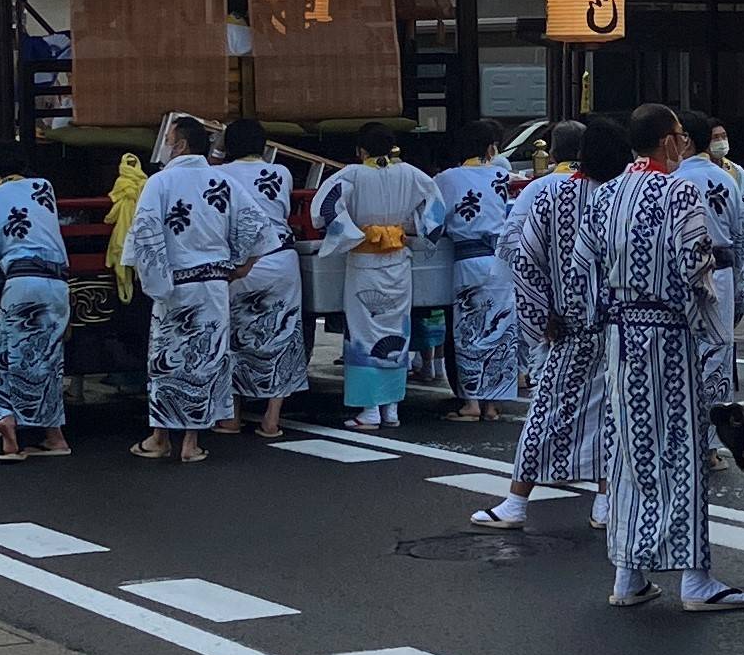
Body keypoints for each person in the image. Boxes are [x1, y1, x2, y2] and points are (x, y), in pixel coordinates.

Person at [575, 107, 744, 613]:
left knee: (629, 451)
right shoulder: (680, 193)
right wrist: (713, 330)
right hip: (667, 336)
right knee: (682, 449)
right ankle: (695, 578)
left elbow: (584, 266)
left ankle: (628, 573)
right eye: (678, 136)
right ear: (668, 142)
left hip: (619, 335)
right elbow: (696, 270)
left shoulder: (607, 194)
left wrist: (598, 320)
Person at [474, 120, 601, 527]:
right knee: (608, 414)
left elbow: (515, 247)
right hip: (609, 322)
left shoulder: (543, 189)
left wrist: (537, 312)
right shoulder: (613, 192)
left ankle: (517, 500)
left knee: (546, 411)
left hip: (560, 322)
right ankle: (604, 500)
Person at [129, 114, 235, 463]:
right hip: (214, 284)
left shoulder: (160, 182)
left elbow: (145, 233)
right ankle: (191, 441)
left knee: (166, 361)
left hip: (176, 284)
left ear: (182, 144)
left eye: (170, 139)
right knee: (206, 357)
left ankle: (160, 437)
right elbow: (254, 232)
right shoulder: (223, 180)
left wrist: (155, 282)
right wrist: (234, 269)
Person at [0, 152, 71, 461]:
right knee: (48, 357)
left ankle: (7, 423)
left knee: (9, 354)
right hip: (58, 282)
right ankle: (54, 435)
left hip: (21, 280)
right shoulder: (43, 187)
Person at [312, 125, 429, 430]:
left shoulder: (350, 175)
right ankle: (391, 408)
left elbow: (322, 210)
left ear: (360, 151)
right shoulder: (412, 174)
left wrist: (349, 234)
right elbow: (435, 210)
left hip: (364, 259)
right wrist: (416, 231)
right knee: (396, 333)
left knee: (364, 335)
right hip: (399, 262)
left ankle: (370, 408)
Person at [211, 119, 305, 437]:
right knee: (284, 333)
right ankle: (271, 418)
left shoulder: (219, 174)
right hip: (282, 258)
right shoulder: (282, 173)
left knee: (235, 335)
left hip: (243, 264)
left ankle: (232, 415)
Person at [422, 121, 519, 422]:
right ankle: (492, 405)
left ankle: (471, 403)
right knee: (500, 330)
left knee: (469, 330)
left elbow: (431, 224)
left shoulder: (447, 178)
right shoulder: (505, 176)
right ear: (491, 147)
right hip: (501, 261)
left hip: (468, 258)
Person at [672, 111, 744, 414]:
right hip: (721, 274)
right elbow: (739, 234)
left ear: (686, 141)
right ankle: (711, 428)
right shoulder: (727, 179)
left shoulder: (672, 180)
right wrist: (741, 281)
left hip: (680, 278)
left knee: (683, 351)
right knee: (717, 349)